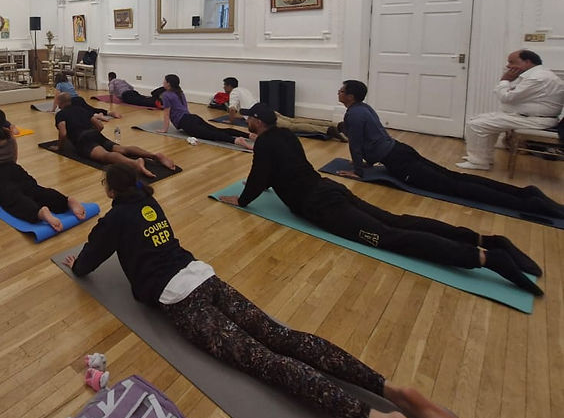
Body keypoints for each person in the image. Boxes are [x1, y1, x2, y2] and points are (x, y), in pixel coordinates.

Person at [65, 164, 467, 418]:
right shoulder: (150, 202)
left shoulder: (114, 218)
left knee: (264, 361)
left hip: (180, 299)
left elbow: (88, 262)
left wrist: (76, 263)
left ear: (110, 189)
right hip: (205, 277)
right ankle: (391, 388)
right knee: (282, 336)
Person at [222, 103, 543, 295]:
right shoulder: (287, 135)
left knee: (390, 237)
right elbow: (277, 169)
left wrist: (243, 201)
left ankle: (487, 258)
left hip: (322, 207)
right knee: (396, 221)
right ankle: (489, 239)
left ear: (256, 122)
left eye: (250, 120)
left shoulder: (264, 145)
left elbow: (259, 176)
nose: (248, 122)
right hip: (330, 190)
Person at [337, 80, 563, 219]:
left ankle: (528, 203)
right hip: (402, 150)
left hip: (399, 163)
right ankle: (525, 193)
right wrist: (368, 162)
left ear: (350, 96)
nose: (339, 92)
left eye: (341, 90)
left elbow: (355, 144)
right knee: (456, 178)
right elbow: (372, 139)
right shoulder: (364, 108)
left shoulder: (353, 114)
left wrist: (358, 170)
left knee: (454, 187)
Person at [0, 108, 86, 231]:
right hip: (15, 169)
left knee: (13, 197)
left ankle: (40, 213)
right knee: (34, 190)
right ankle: (66, 201)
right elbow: (14, 158)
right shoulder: (10, 136)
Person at [461, 50, 564, 170]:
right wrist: (508, 89)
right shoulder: (539, 75)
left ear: (527, 62)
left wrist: (505, 80)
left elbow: (507, 97)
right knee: (478, 119)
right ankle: (484, 158)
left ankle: (478, 162)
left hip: (535, 120)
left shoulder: (538, 78)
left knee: (476, 125)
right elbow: (512, 95)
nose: (508, 66)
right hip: (527, 117)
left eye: (512, 62)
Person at [54, 92, 174, 179]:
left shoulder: (60, 114)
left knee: (106, 156)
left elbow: (63, 133)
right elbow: (100, 126)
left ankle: (134, 163)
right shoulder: (81, 109)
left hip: (83, 140)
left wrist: (59, 148)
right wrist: (94, 135)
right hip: (96, 134)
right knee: (122, 148)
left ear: (60, 103)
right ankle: (153, 155)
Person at [221, 77, 345, 141]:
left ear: (229, 86)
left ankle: (327, 129)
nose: (223, 87)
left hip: (259, 115)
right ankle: (335, 124)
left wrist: (230, 122)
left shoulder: (233, 93)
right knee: (294, 121)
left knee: (293, 127)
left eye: (224, 85)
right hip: (265, 109)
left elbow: (232, 110)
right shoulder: (243, 89)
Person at [158, 74, 248, 144]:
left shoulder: (166, 95)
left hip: (186, 122)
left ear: (168, 83)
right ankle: (249, 135)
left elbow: (166, 113)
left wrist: (165, 129)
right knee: (217, 130)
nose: (163, 83)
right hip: (192, 117)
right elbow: (184, 108)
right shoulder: (180, 92)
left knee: (211, 135)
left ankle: (235, 141)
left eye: (164, 81)